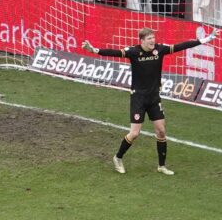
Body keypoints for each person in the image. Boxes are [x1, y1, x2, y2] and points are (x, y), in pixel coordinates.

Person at [81, 27, 214, 175]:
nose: (153, 41)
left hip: (154, 97)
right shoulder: (133, 52)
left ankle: (161, 166)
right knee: (135, 133)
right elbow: (115, 52)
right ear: (142, 41)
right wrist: (94, 50)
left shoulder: (160, 50)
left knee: (161, 131)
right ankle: (118, 157)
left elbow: (181, 46)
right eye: (149, 39)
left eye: (153, 38)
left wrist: (204, 40)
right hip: (138, 97)